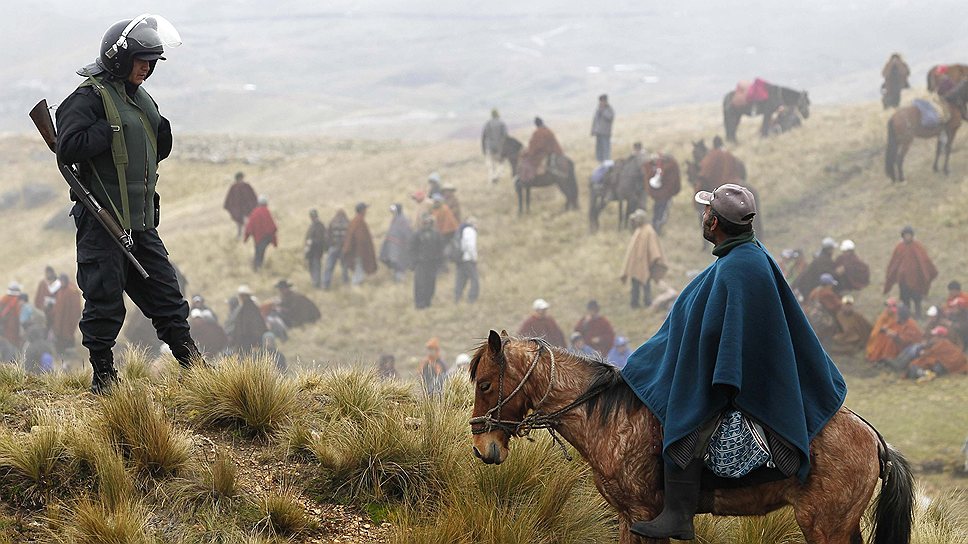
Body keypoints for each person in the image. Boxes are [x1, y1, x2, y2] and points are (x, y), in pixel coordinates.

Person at [623, 183, 847, 540]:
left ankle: (678, 514)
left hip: (746, 386)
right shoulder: (743, 256)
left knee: (688, 417)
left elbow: (725, 343)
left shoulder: (738, 269)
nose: (703, 216)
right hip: (741, 370)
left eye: (706, 212)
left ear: (714, 223)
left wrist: (702, 375)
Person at [54, 14, 203, 392]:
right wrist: (109, 130)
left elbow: (153, 149)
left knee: (166, 294)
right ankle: (103, 376)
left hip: (139, 222)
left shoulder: (139, 98)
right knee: (104, 299)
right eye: (141, 60)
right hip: (101, 221)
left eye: (152, 61)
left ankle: (195, 366)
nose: (148, 68)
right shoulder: (88, 98)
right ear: (119, 57)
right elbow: (67, 148)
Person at [884, 226, 937, 318]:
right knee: (905, 299)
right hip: (903, 279)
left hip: (915, 278)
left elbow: (924, 260)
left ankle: (918, 314)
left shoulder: (917, 246)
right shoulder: (899, 247)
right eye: (906, 235)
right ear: (903, 236)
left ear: (912, 236)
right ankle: (906, 315)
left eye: (909, 235)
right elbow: (894, 262)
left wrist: (927, 272)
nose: (907, 237)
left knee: (917, 298)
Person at [620, 209, 667, 308]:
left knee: (646, 285)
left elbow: (653, 249)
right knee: (635, 286)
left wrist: (652, 262)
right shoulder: (639, 230)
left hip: (646, 264)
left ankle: (647, 302)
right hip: (636, 264)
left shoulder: (649, 231)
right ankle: (634, 303)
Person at [411, 214, 444, 309]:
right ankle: (419, 304)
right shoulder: (417, 234)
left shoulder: (436, 234)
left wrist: (440, 263)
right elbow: (411, 249)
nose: (427, 224)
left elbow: (440, 249)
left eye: (429, 222)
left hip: (432, 263)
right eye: (425, 222)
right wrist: (413, 262)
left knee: (431, 284)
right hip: (421, 263)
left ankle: (428, 302)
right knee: (420, 284)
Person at [342, 202, 378, 286]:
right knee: (359, 272)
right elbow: (360, 239)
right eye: (365, 209)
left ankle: (356, 288)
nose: (366, 211)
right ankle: (355, 289)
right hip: (358, 252)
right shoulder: (359, 222)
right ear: (362, 211)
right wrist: (364, 252)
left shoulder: (355, 220)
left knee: (359, 271)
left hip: (356, 252)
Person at [518, 117, 563, 183]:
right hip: (556, 151)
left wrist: (525, 153)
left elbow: (534, 147)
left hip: (545, 153)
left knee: (527, 160)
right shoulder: (548, 130)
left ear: (536, 124)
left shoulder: (538, 132)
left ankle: (528, 179)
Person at [225, 285, 267, 354]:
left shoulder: (251, 308)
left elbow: (256, 325)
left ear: (246, 296)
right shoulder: (241, 308)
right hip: (244, 339)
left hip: (250, 338)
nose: (241, 297)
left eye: (242, 296)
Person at [49, 274, 82, 353]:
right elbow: (58, 303)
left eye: (62, 281)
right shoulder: (61, 290)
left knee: (68, 335)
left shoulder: (72, 291)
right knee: (60, 335)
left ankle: (69, 354)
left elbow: (76, 307)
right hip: (60, 318)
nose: (61, 283)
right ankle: (61, 353)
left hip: (68, 319)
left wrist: (73, 318)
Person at [243, 195, 278, 271]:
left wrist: (246, 238)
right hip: (266, 237)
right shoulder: (267, 212)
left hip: (258, 238)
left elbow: (249, 227)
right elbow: (273, 227)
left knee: (258, 252)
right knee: (261, 253)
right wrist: (274, 240)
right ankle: (258, 267)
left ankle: (257, 268)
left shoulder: (255, 212)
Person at [380, 204, 413, 282]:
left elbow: (407, 234)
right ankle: (397, 279)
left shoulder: (403, 220)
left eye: (393, 211)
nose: (392, 212)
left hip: (400, 246)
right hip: (393, 245)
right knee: (395, 262)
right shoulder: (396, 219)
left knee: (399, 264)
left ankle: (399, 281)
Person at [805, 274, 842, 343]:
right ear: (827, 285)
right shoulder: (827, 293)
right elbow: (835, 306)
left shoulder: (815, 291)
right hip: (825, 321)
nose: (832, 286)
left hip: (814, 320)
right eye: (831, 284)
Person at [223, 172, 258, 239]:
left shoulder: (246, 186)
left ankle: (247, 235)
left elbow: (252, 196)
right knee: (239, 223)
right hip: (239, 209)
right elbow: (230, 198)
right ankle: (240, 235)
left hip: (246, 208)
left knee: (246, 222)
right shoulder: (234, 187)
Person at [323, 208, 350, 289]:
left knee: (329, 267)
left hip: (334, 247)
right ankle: (345, 283)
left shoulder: (333, 222)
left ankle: (326, 284)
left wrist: (328, 246)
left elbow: (327, 235)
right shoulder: (348, 223)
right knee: (344, 267)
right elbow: (349, 236)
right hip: (343, 248)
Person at [454, 217, 479, 303]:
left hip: (460, 259)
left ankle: (457, 298)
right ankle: (472, 298)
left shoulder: (461, 230)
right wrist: (474, 258)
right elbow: (470, 246)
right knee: (475, 280)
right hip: (468, 259)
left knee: (460, 279)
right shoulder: (470, 231)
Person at [481, 109, 508, 183]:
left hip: (489, 147)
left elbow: (483, 137)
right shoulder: (502, 124)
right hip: (500, 148)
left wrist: (483, 148)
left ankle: (492, 179)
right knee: (500, 163)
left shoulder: (487, 124)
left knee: (491, 165)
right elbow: (505, 137)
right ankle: (496, 176)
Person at [304, 209, 328, 289]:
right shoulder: (313, 225)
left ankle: (316, 284)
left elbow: (321, 240)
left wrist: (312, 242)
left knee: (316, 267)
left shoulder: (320, 225)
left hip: (316, 251)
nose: (312, 217)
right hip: (311, 251)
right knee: (312, 267)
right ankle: (315, 283)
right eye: (311, 216)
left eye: (313, 216)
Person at [942, 280, 968, 348]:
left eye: (951, 291)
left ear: (956, 290)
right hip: (956, 317)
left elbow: (962, 325)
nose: (950, 293)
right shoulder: (951, 297)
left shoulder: (965, 298)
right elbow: (947, 307)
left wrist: (951, 323)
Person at [591, 94, 615, 162]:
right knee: (599, 148)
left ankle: (607, 161)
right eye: (600, 101)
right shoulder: (598, 109)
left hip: (605, 132)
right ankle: (600, 161)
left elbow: (610, 117)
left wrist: (603, 111)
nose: (601, 103)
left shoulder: (609, 109)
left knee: (606, 148)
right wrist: (593, 130)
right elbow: (595, 120)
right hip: (598, 132)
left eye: (603, 101)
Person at [0, 282, 24, 348]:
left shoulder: (3, 299)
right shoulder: (15, 302)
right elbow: (18, 318)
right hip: (11, 331)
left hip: (2, 330)